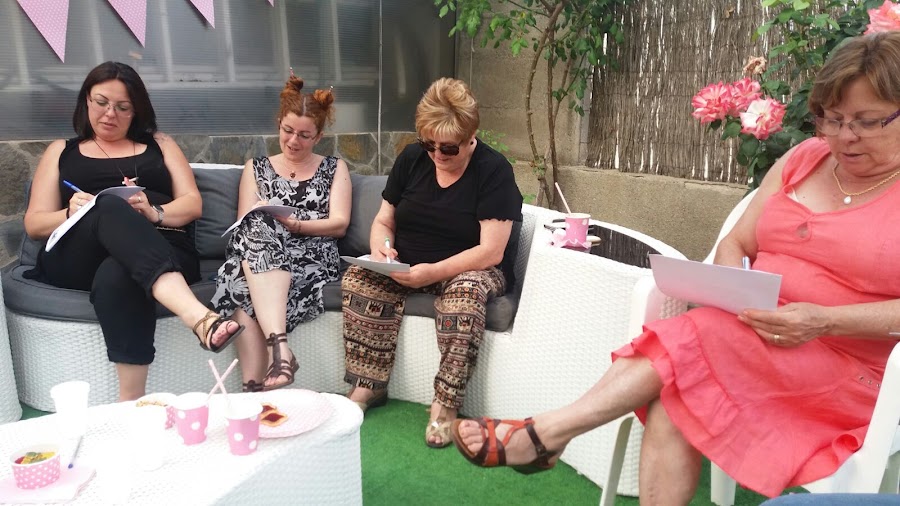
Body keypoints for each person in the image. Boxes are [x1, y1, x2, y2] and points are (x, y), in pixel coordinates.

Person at [451, 30, 900, 503]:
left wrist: (823, 320)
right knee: (678, 389)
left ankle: (546, 433)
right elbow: (736, 242)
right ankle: (546, 435)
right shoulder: (804, 159)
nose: (845, 136)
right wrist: (736, 293)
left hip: (853, 370)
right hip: (756, 339)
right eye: (832, 119)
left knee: (694, 347)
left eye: (867, 121)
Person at [23, 61, 244, 402]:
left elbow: (192, 204)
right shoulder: (61, 151)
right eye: (101, 102)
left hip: (162, 244)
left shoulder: (161, 144)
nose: (110, 114)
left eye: (123, 107)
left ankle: (130, 403)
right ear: (86, 101)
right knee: (107, 205)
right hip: (79, 254)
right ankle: (198, 317)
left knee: (118, 272)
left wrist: (155, 213)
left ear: (137, 110)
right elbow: (34, 224)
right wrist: (70, 212)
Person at [342, 77, 523, 448]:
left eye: (449, 147)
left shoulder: (494, 171)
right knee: (359, 278)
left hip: (472, 268)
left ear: (471, 137)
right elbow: (384, 221)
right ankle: (368, 385)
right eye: (429, 144)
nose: (438, 154)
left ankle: (445, 404)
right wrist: (383, 251)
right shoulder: (412, 159)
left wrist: (433, 272)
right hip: (409, 264)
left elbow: (491, 251)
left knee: (465, 299)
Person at [211, 75, 350, 392]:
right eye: (287, 131)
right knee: (254, 238)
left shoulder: (334, 168)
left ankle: (252, 389)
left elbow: (339, 223)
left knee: (241, 281)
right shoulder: (256, 167)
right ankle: (279, 354)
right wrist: (267, 217)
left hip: (312, 257)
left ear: (319, 136)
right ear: (278, 124)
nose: (293, 141)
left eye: (304, 135)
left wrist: (297, 225)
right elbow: (245, 223)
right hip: (262, 252)